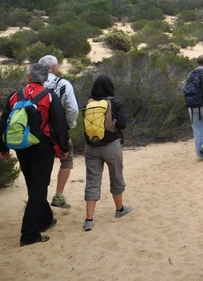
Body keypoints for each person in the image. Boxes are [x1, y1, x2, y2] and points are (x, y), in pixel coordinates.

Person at [0, 63, 69, 246]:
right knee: (39, 187)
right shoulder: (49, 96)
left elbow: (4, 120)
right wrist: (64, 148)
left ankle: (45, 219)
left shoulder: (16, 95)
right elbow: (60, 124)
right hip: (42, 147)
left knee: (34, 185)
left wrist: (3, 148)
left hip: (21, 147)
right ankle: (29, 235)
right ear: (45, 78)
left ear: (29, 77)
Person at [81, 75, 132, 231]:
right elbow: (122, 124)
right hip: (111, 146)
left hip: (91, 147)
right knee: (116, 176)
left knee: (92, 180)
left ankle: (89, 219)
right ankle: (119, 209)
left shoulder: (88, 103)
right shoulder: (115, 102)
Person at [39, 54, 79, 209]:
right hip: (59, 131)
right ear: (54, 68)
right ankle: (59, 195)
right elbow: (72, 108)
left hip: (38, 132)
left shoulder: (34, 84)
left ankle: (37, 197)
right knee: (66, 160)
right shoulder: (63, 84)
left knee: (40, 165)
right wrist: (69, 125)